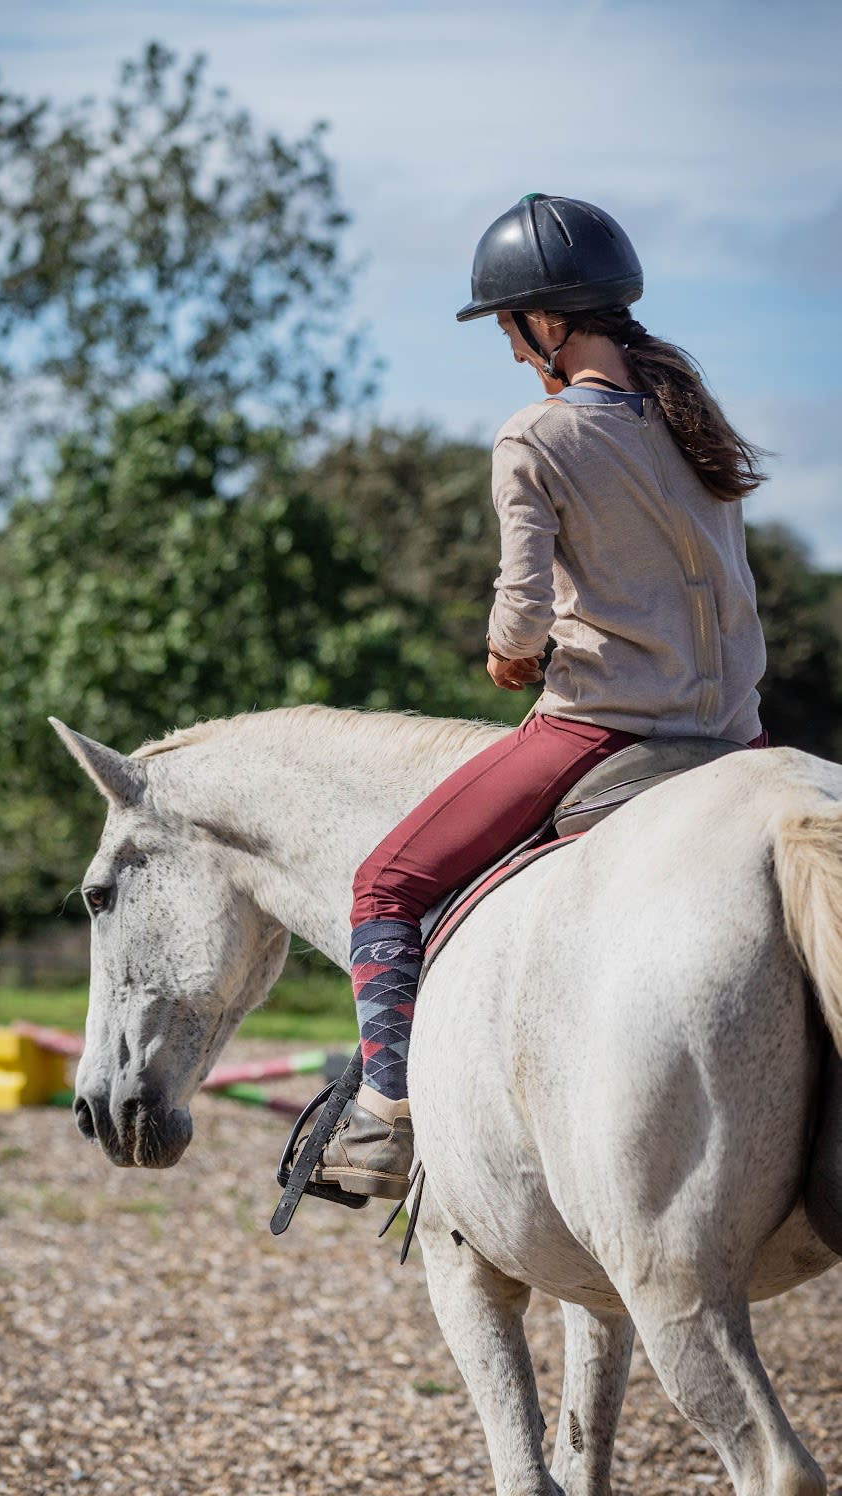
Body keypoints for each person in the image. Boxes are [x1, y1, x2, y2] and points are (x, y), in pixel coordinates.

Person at [316, 192, 769, 1203]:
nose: (516, 354)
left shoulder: (536, 434)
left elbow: (522, 613)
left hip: (606, 727)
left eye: (514, 332)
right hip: (739, 734)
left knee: (385, 885)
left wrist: (504, 655)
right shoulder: (696, 417)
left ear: (546, 323)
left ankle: (384, 1118)